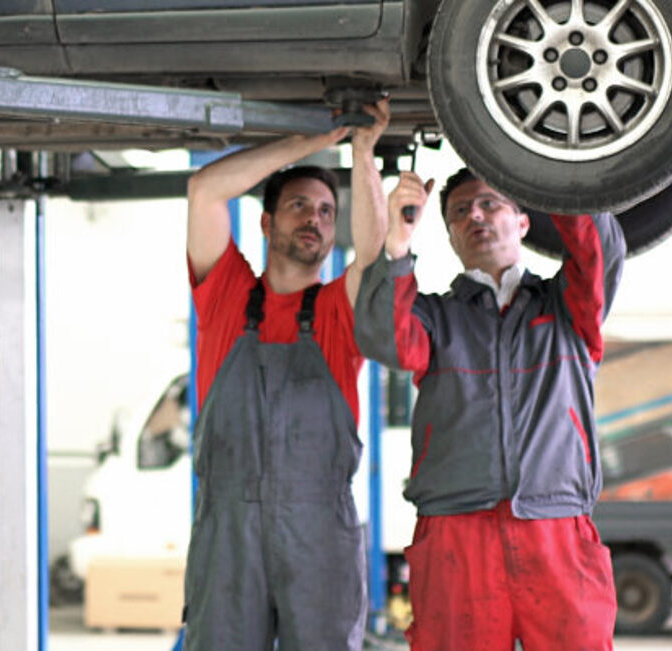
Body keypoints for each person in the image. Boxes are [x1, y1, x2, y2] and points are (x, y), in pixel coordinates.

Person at [355, 167, 625, 650]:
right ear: (452, 236)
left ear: (523, 221)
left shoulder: (569, 309)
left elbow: (598, 251)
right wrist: (396, 243)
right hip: (456, 535)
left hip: (555, 526)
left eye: (490, 203)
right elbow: (382, 337)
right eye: (460, 212)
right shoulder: (436, 319)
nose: (475, 215)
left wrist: (550, 168)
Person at [182, 100, 391, 650]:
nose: (314, 220)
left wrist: (362, 151)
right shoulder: (225, 294)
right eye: (300, 205)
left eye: (326, 211)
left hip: (319, 529)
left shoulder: (338, 311)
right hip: (229, 531)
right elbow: (205, 189)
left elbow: (372, 256)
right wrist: (311, 139)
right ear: (267, 222)